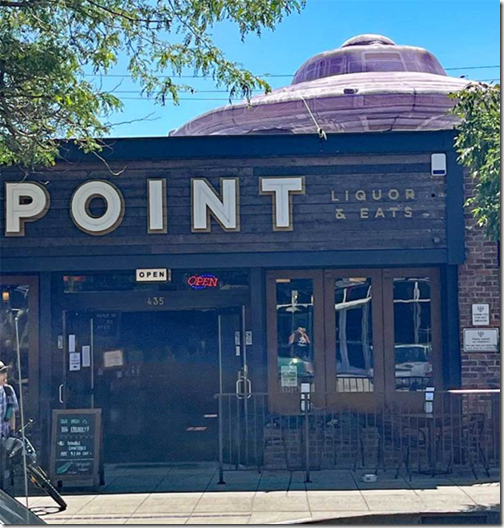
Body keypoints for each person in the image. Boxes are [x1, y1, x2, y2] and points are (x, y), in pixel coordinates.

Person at [0, 362, 19, 489]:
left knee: (2, 469)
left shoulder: (8, 390)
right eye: (1, 373)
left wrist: (13, 431)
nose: (4, 375)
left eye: (4, 372)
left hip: (3, 435)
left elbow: (12, 412)